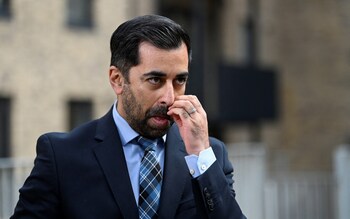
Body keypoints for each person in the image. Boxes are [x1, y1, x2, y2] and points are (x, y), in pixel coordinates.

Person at [11, 15, 246, 219]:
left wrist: (200, 156)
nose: (169, 97)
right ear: (117, 79)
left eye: (179, 80)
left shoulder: (210, 156)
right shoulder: (61, 156)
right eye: (155, 80)